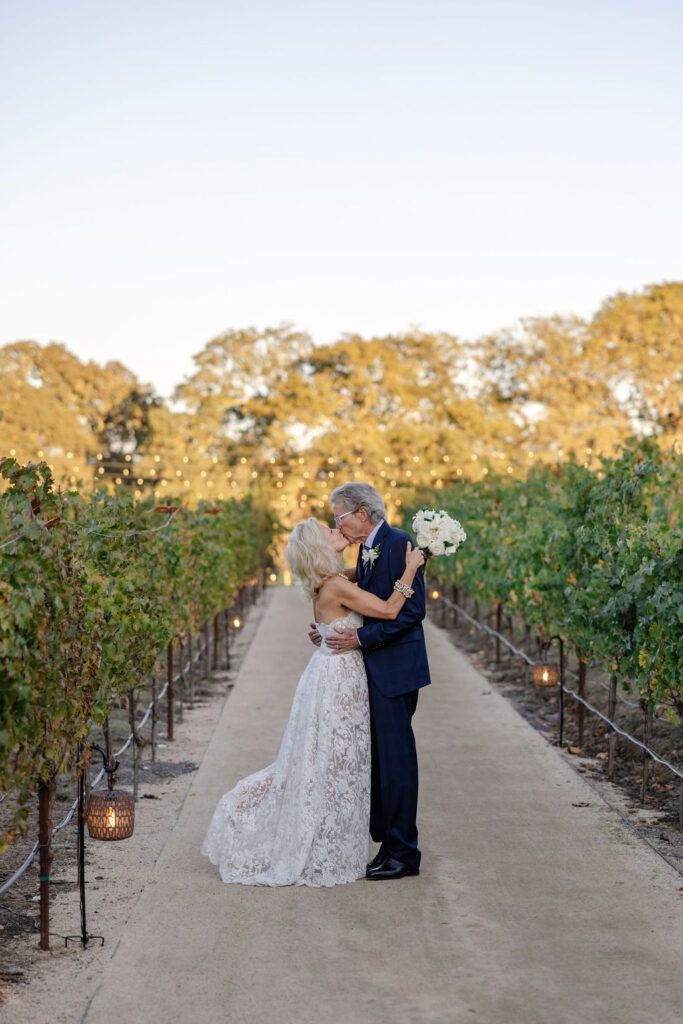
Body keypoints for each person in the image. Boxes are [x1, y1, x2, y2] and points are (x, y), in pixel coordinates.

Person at [201, 517, 424, 887]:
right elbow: (387, 610)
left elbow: (353, 588)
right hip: (339, 680)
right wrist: (412, 567)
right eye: (329, 531)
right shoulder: (335, 585)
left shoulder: (328, 582)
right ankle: (324, 843)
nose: (337, 530)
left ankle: (336, 839)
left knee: (326, 761)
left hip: (327, 674)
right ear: (319, 549)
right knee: (336, 763)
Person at [318, 482, 430, 880]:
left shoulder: (399, 542)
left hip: (397, 669)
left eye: (339, 517)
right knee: (382, 762)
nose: (338, 524)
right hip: (378, 668)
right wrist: (335, 627)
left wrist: (360, 638)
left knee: (397, 762)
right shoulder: (367, 548)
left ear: (362, 514)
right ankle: (388, 845)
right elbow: (362, 601)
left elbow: (411, 611)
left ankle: (405, 853)